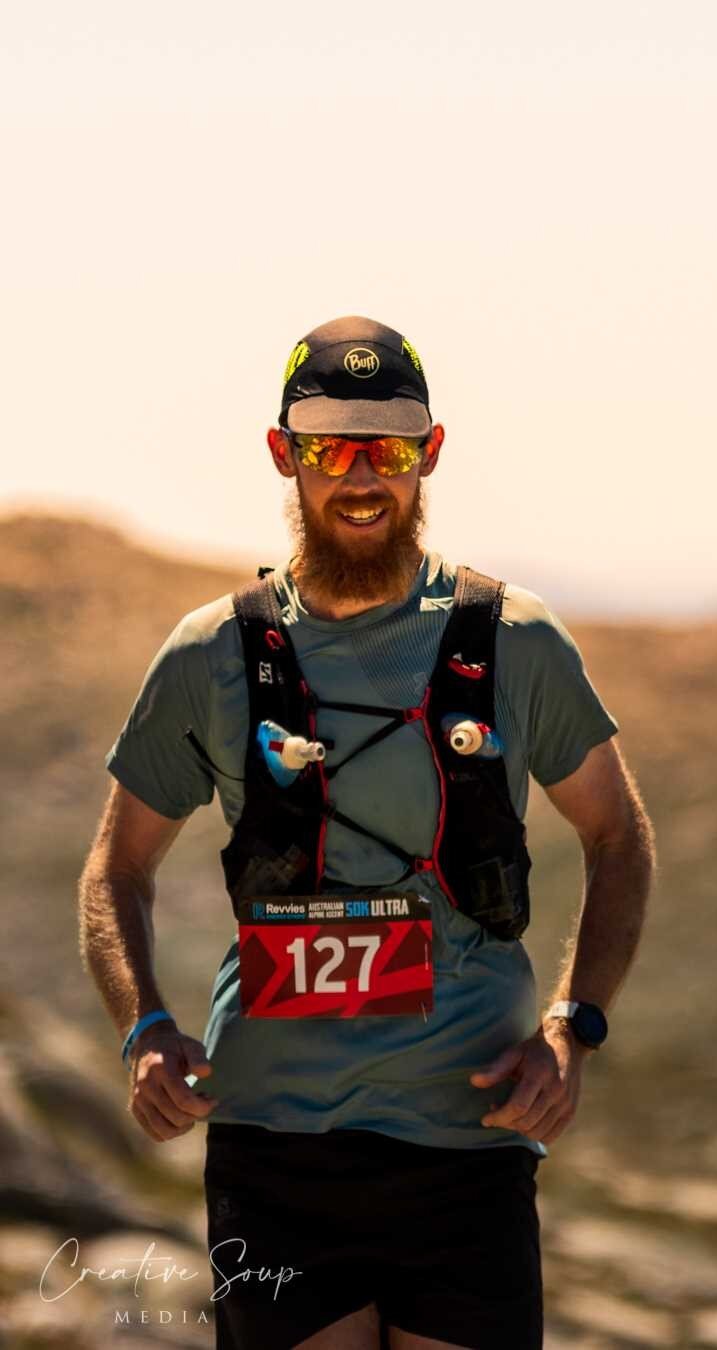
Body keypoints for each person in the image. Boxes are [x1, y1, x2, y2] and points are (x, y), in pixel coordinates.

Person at [77, 315, 656, 1350]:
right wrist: (144, 1030)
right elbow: (114, 871)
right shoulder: (210, 654)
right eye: (327, 447)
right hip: (271, 1154)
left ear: (430, 454)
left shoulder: (514, 642)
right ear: (282, 456)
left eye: (386, 448)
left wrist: (574, 1031)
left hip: (470, 1146)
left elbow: (621, 837)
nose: (358, 477)